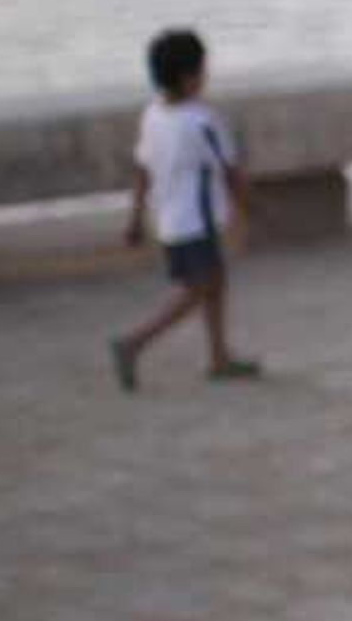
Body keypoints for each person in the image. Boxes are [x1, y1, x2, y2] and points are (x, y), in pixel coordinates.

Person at [109, 27, 261, 388]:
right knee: (198, 289)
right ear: (191, 76)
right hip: (199, 222)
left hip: (169, 219)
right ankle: (134, 342)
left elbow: (143, 169)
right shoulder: (203, 120)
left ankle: (219, 355)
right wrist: (252, 208)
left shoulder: (153, 115)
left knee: (215, 282)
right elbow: (230, 170)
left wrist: (134, 218)